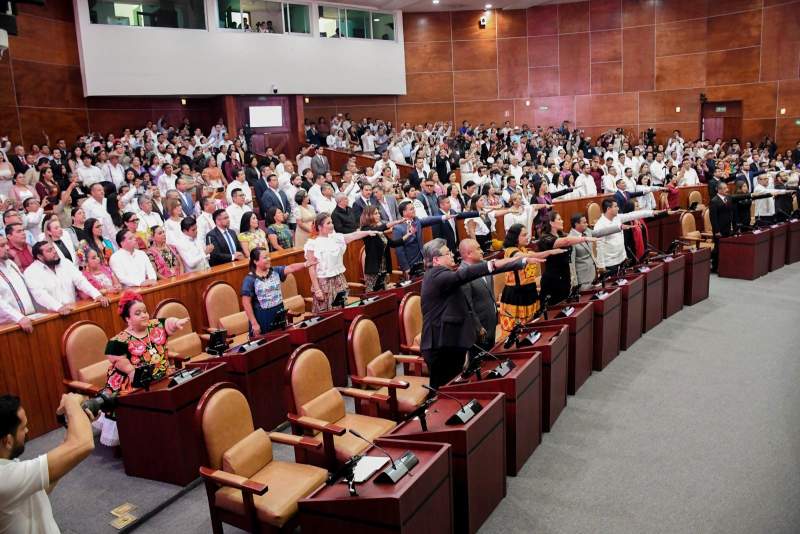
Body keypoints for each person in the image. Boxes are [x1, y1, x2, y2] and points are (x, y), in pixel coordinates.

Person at [419, 237, 553, 388]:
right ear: (436, 260)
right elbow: (467, 273)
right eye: (447, 253)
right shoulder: (436, 276)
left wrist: (522, 262)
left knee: (453, 384)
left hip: (450, 340)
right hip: (439, 344)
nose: (452, 255)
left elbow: (482, 269)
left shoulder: (443, 274)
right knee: (441, 389)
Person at [99, 291, 190, 445]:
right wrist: (131, 371)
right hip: (134, 383)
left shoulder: (155, 325)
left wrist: (176, 322)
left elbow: (168, 323)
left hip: (161, 377)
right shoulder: (119, 340)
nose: (144, 315)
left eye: (145, 311)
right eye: (138, 313)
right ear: (128, 319)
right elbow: (119, 360)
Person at [0, 393, 94, 534]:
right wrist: (71, 401)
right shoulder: (5, 478)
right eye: (23, 427)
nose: (27, 431)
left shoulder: (7, 467)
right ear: (7, 441)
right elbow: (84, 444)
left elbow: (39, 490)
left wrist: (79, 426)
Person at [303, 213, 376, 312]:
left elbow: (353, 235)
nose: (332, 225)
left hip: (339, 280)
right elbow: (311, 268)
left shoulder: (335, 238)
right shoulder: (312, 244)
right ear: (320, 227)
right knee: (327, 313)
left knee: (342, 309)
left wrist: (367, 232)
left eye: (332, 222)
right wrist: (317, 289)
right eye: (328, 223)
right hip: (324, 283)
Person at [498, 224, 557, 336]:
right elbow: (523, 256)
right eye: (524, 235)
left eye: (527, 234)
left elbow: (537, 255)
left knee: (531, 330)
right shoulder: (510, 251)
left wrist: (550, 252)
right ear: (515, 237)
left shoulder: (525, 249)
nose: (527, 237)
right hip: (516, 296)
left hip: (530, 292)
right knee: (515, 333)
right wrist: (549, 252)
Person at [240, 248, 315, 336]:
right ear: (255, 261)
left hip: (279, 313)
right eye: (265, 257)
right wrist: (254, 323)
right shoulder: (249, 279)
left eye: (268, 256)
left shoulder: (275, 271)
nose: (269, 259)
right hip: (263, 317)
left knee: (282, 341)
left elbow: (291, 268)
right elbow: (246, 303)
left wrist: (306, 264)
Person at [24, 241, 109, 313]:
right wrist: (58, 307)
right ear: (40, 257)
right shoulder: (31, 272)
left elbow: (81, 281)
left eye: (53, 248)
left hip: (73, 310)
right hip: (52, 317)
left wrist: (97, 295)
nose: (54, 251)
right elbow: (40, 295)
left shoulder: (65, 263)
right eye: (50, 250)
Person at [537, 212, 597, 305]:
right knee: (554, 310)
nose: (562, 221)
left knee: (567, 309)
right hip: (553, 280)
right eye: (559, 219)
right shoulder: (545, 238)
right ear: (551, 223)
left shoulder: (563, 235)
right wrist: (584, 238)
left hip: (565, 277)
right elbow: (566, 241)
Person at [594, 198, 661, 275]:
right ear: (608, 209)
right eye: (615, 206)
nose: (618, 208)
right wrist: (601, 266)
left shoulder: (617, 218)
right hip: (610, 264)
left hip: (622, 259)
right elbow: (599, 247)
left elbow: (633, 215)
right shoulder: (600, 225)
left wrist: (652, 212)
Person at [458, 238, 499, 350]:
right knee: (481, 361)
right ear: (469, 253)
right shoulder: (462, 274)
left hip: (491, 319)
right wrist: (478, 327)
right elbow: (468, 306)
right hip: (479, 327)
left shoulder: (485, 266)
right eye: (478, 248)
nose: (482, 251)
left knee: (492, 354)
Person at [360, 206, 413, 292]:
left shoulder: (380, 232)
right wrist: (397, 221)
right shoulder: (366, 230)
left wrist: (408, 235)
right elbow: (380, 228)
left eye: (378, 213)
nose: (379, 215)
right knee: (374, 296)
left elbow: (393, 243)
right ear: (368, 216)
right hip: (374, 271)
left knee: (385, 296)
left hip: (384, 269)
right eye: (375, 213)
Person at [392, 200, 452, 276]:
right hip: (410, 263)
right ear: (404, 212)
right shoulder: (398, 228)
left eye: (414, 208)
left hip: (423, 260)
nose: (414, 210)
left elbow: (429, 220)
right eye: (411, 209)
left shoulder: (416, 221)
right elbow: (399, 251)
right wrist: (406, 268)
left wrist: (443, 217)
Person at [0, 235, 36, 332]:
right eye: (2, 245)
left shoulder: (11, 264)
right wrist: (18, 318)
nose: (7, 248)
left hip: (29, 319)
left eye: (6, 244)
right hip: (9, 327)